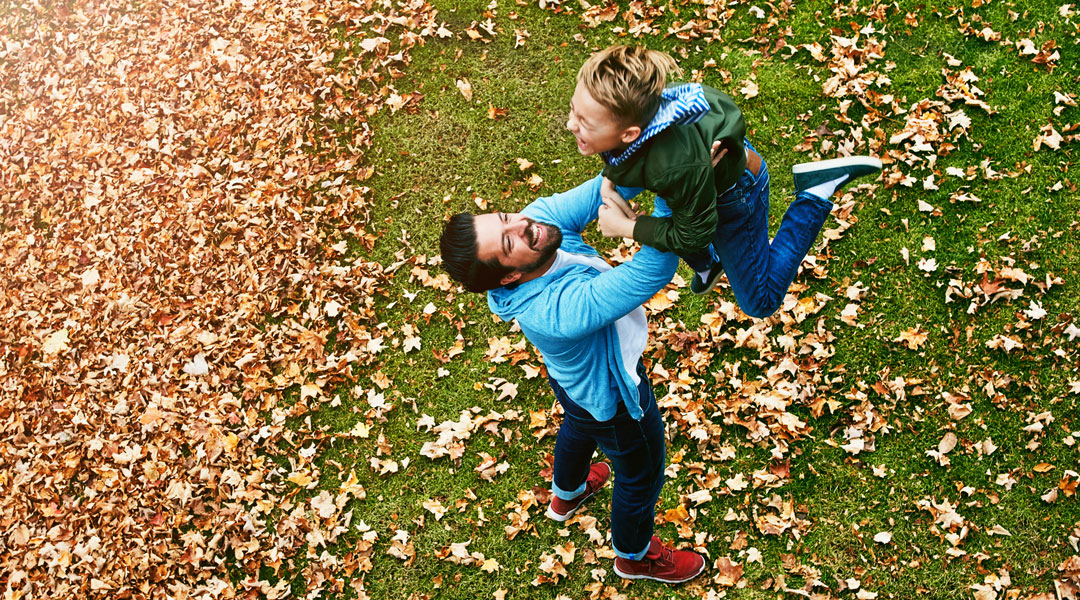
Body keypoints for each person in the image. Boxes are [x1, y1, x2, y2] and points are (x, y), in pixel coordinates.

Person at [439, 175, 707, 584]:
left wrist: (661, 164)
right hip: (615, 403)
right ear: (509, 278)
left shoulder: (534, 224)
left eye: (506, 218)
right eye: (509, 242)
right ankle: (633, 557)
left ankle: (568, 494)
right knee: (640, 475)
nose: (523, 226)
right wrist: (673, 194)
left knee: (578, 426)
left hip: (572, 385)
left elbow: (611, 185)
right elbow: (656, 267)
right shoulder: (556, 312)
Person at [567, 44, 882, 317]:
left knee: (761, 301)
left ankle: (815, 193)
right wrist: (610, 179)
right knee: (677, 209)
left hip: (734, 198)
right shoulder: (642, 107)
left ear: (630, 133)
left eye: (584, 122)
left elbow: (692, 235)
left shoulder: (675, 168)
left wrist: (626, 228)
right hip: (701, 183)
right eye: (573, 111)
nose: (571, 125)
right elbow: (628, 155)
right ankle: (709, 266)